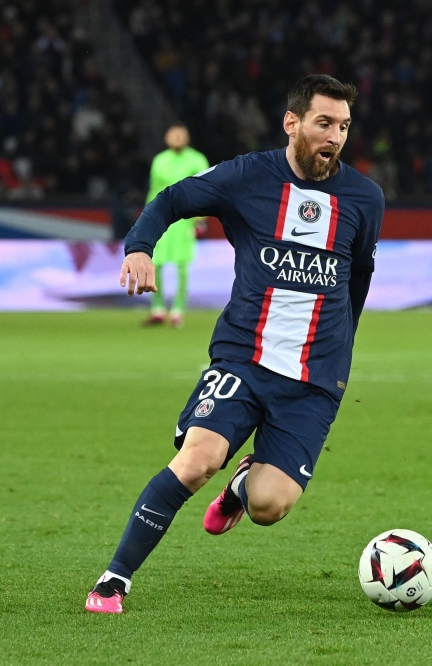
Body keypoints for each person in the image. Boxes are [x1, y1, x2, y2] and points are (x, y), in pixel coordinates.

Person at [85, 75, 383, 614]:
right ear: (292, 123)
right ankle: (114, 580)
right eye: (324, 123)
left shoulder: (365, 197)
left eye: (343, 126)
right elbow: (173, 199)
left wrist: (344, 348)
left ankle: (243, 488)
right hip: (245, 356)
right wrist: (139, 248)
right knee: (198, 461)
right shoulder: (248, 176)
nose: (335, 136)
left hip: (314, 378)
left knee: (271, 506)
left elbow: (357, 278)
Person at [143, 125, 210, 327]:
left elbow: (205, 189)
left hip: (185, 218)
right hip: (162, 217)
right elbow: (154, 189)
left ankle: (178, 310)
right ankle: (158, 309)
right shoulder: (160, 160)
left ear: (187, 138)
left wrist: (201, 217)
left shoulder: (197, 160)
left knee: (182, 265)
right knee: (156, 263)